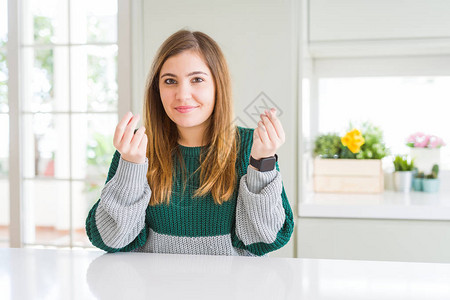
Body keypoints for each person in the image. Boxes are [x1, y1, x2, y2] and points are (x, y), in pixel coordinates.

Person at [85, 29, 294, 256]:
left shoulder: (249, 147)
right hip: (155, 288)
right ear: (158, 90)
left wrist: (261, 163)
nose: (183, 95)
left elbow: (267, 238)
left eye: (197, 79)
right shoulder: (136, 147)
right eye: (170, 81)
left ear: (218, 85)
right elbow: (110, 239)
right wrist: (131, 167)